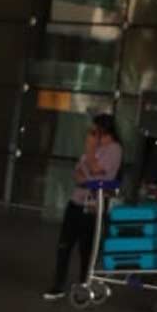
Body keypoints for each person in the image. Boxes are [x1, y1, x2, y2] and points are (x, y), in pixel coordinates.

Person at [43, 112, 122, 300]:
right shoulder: (92, 150)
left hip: (94, 206)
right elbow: (79, 173)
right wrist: (87, 176)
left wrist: (90, 152)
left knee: (87, 248)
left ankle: (85, 286)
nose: (92, 135)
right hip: (77, 201)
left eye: (95, 131)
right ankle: (58, 284)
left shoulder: (114, 149)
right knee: (65, 244)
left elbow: (97, 172)